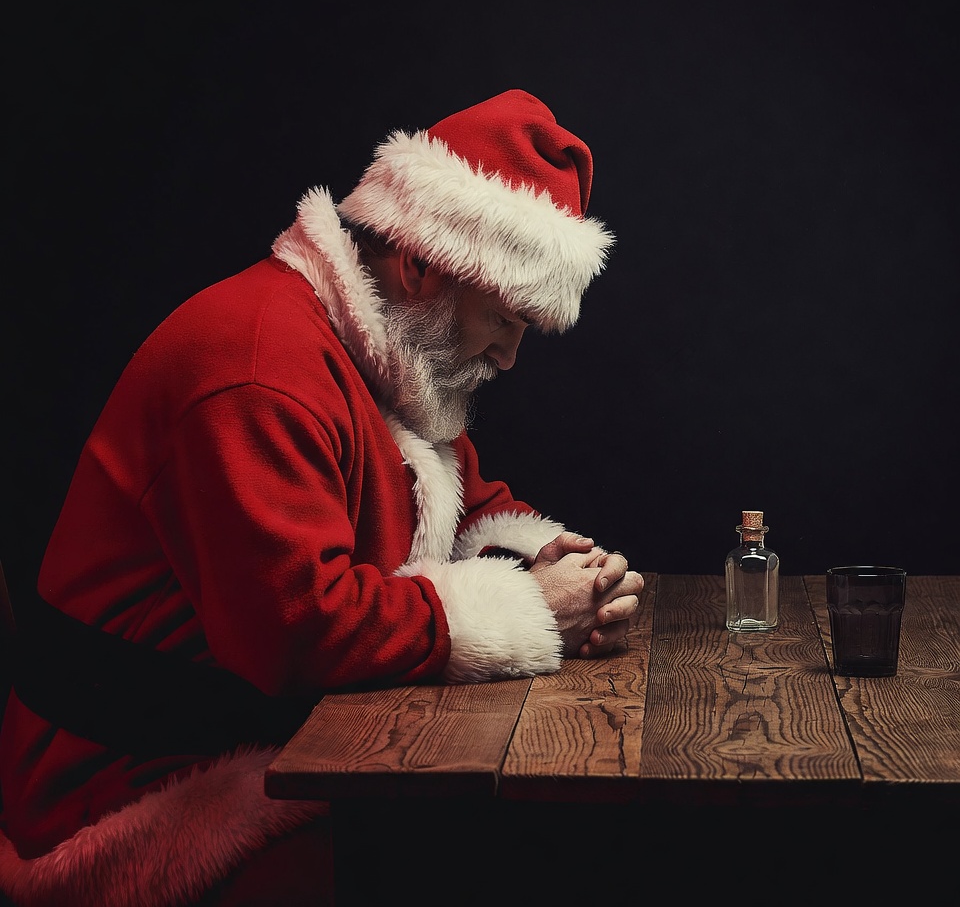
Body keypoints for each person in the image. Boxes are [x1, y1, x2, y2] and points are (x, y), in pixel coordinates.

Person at [0, 89, 644, 906]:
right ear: (420, 265)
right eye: (506, 321)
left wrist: (559, 572)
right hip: (134, 783)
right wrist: (531, 615)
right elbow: (297, 632)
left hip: (273, 731)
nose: (510, 359)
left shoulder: (382, 345)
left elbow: (473, 506)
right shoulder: (258, 365)